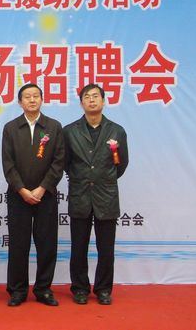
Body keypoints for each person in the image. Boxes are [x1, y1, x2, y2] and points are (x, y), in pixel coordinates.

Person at [63, 83, 129, 305]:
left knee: (106, 248)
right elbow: (66, 163)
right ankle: (80, 288)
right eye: (87, 97)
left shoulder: (117, 131)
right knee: (78, 247)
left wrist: (104, 179)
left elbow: (121, 164)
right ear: (81, 103)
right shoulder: (70, 131)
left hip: (106, 196)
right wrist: (83, 178)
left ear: (103, 100)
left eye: (95, 96)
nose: (91, 100)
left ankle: (103, 289)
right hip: (80, 194)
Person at [1, 83, 64, 307]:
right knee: (18, 244)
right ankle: (17, 290)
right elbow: (7, 163)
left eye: (36, 96)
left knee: (47, 244)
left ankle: (43, 289)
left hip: (46, 195)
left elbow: (59, 161)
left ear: (42, 99)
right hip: (18, 195)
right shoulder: (11, 128)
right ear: (20, 102)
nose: (32, 100)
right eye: (27, 97)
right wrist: (22, 189)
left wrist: (43, 187)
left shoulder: (54, 127)